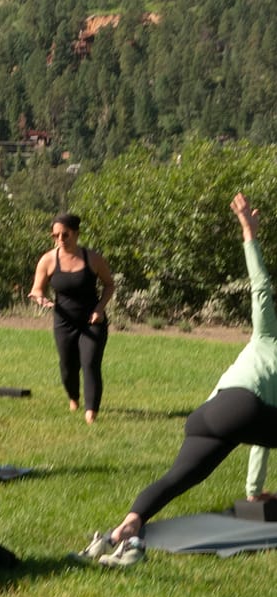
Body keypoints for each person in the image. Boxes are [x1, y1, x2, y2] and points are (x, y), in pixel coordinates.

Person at [85, 194, 277, 564]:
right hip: (243, 409)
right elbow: (261, 285)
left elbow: (257, 435)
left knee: (177, 478)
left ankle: (125, 527)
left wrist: (253, 492)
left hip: (209, 415)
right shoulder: (270, 334)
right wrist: (248, 234)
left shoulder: (264, 336)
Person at [31, 213, 114, 422]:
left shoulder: (92, 258)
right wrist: (41, 299)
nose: (60, 239)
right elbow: (36, 290)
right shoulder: (48, 260)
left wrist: (100, 308)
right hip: (63, 321)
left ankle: (91, 413)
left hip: (92, 321)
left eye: (65, 235)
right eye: (55, 235)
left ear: (76, 234)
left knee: (90, 363)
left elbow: (109, 284)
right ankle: (73, 397)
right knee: (68, 366)